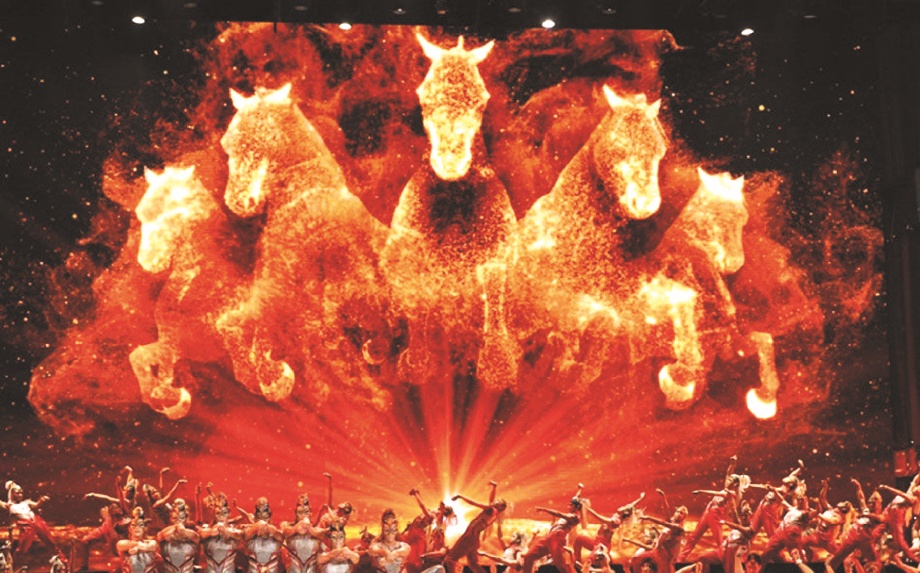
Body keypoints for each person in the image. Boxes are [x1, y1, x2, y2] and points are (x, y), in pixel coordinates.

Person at [443, 487, 508, 573]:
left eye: (497, 502)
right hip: (474, 539)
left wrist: (461, 497)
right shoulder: (494, 513)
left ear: (500, 506)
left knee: (450, 559)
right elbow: (491, 499)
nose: (495, 501)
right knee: (473, 564)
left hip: (470, 537)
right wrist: (494, 487)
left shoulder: (490, 509)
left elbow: (474, 503)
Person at [3, 480, 62, 558]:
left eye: (21, 493)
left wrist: (41, 500)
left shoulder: (26, 502)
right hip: (27, 526)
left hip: (37, 521)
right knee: (23, 547)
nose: (20, 495)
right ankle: (15, 561)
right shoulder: (9, 505)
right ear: (12, 494)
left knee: (50, 542)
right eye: (17, 493)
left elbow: (36, 505)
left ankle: (61, 559)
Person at [521, 500, 583, 573]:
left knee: (562, 566)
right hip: (548, 537)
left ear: (576, 507)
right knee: (528, 556)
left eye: (570, 505)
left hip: (556, 538)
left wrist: (544, 509)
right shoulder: (570, 514)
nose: (568, 507)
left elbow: (558, 514)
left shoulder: (575, 517)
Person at [282, 495, 325, 573]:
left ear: (310, 513)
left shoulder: (318, 531)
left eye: (306, 512)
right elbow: (285, 532)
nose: (303, 515)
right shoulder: (287, 527)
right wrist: (299, 526)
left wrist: (309, 529)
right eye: (300, 512)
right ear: (295, 513)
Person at [199, 501, 243, 573]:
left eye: (224, 513)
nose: (221, 516)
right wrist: (211, 532)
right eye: (218, 513)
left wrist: (228, 532)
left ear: (229, 514)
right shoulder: (206, 530)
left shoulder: (235, 531)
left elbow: (240, 535)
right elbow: (200, 535)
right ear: (214, 515)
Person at [157, 499, 200, 573]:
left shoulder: (193, 534)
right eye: (174, 518)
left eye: (181, 518)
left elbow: (193, 535)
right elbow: (163, 536)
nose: (178, 520)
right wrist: (176, 527)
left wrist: (181, 528)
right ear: (170, 519)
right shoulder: (163, 533)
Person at [243, 498, 284, 573]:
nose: (262, 521)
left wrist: (268, 528)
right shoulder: (248, 532)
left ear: (270, 518)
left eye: (265, 518)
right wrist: (256, 527)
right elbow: (244, 535)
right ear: (255, 518)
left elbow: (281, 536)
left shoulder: (276, 534)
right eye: (259, 517)